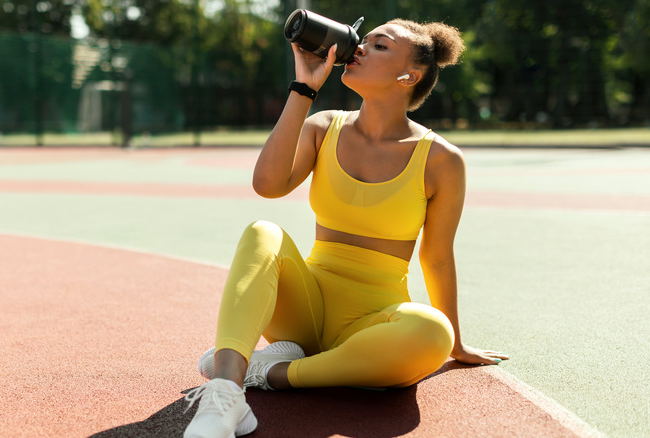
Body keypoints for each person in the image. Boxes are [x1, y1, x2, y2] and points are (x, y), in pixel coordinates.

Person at [183, 17, 508, 438]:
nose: (359, 47)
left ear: (409, 75)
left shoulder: (441, 159)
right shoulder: (324, 126)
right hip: (304, 312)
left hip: (372, 325)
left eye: (379, 45)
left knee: (433, 331)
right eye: (363, 37)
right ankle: (225, 393)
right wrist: (304, 89)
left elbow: (437, 256)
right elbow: (267, 185)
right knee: (263, 230)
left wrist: (456, 344)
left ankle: (272, 373)